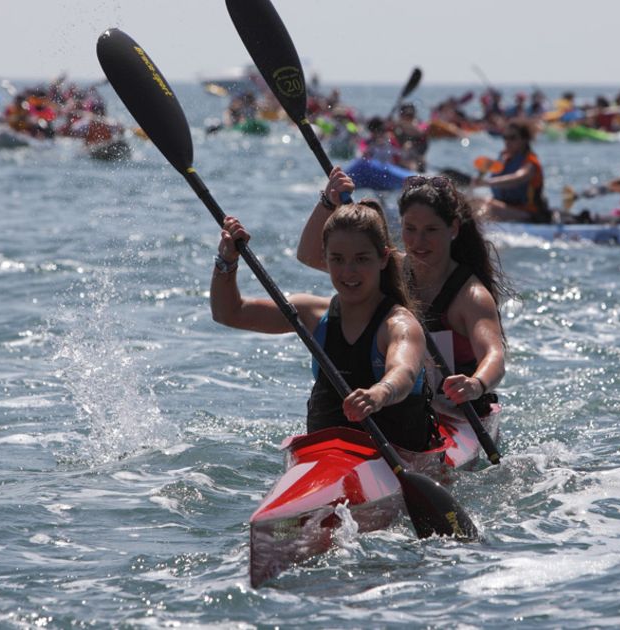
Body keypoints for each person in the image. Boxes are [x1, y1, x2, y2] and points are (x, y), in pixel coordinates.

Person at [211, 204, 439, 452]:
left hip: (399, 456)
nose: (348, 271)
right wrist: (227, 261)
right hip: (326, 458)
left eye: (361, 259)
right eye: (337, 259)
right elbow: (229, 314)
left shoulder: (400, 325)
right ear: (325, 257)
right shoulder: (311, 315)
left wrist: (380, 393)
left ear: (383, 258)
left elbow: (403, 372)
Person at [294, 168, 508, 419]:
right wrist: (327, 202)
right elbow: (308, 255)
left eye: (430, 230)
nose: (418, 241)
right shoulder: (390, 266)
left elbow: (495, 355)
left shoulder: (470, 296)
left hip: (455, 413)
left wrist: (476, 384)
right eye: (410, 228)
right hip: (399, 405)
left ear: (453, 229)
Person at [471, 120, 549, 223]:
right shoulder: (504, 157)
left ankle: (475, 229)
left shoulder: (530, 162)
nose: (507, 141)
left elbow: (518, 177)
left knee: (488, 206)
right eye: (505, 137)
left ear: (524, 139)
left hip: (529, 214)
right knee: (474, 202)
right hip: (506, 207)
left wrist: (486, 183)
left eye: (512, 138)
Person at [391, 103, 429, 172]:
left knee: (414, 163)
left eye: (411, 116)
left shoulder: (421, 124)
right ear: (401, 116)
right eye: (406, 116)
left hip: (416, 157)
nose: (408, 118)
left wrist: (404, 124)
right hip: (400, 157)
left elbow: (420, 132)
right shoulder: (396, 126)